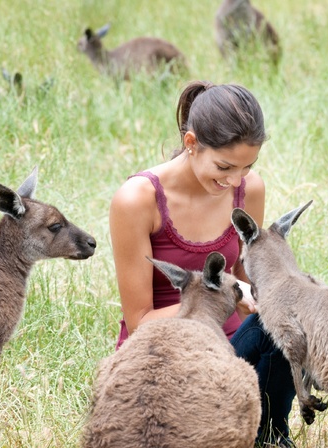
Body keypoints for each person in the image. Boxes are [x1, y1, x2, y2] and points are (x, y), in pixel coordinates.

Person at [109, 80, 296, 447]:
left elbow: (247, 291)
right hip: (165, 357)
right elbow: (140, 321)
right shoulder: (136, 200)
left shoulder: (249, 189)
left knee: (286, 319)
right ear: (192, 143)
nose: (234, 180)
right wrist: (223, 297)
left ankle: (270, 435)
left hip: (229, 353)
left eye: (246, 167)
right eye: (225, 166)